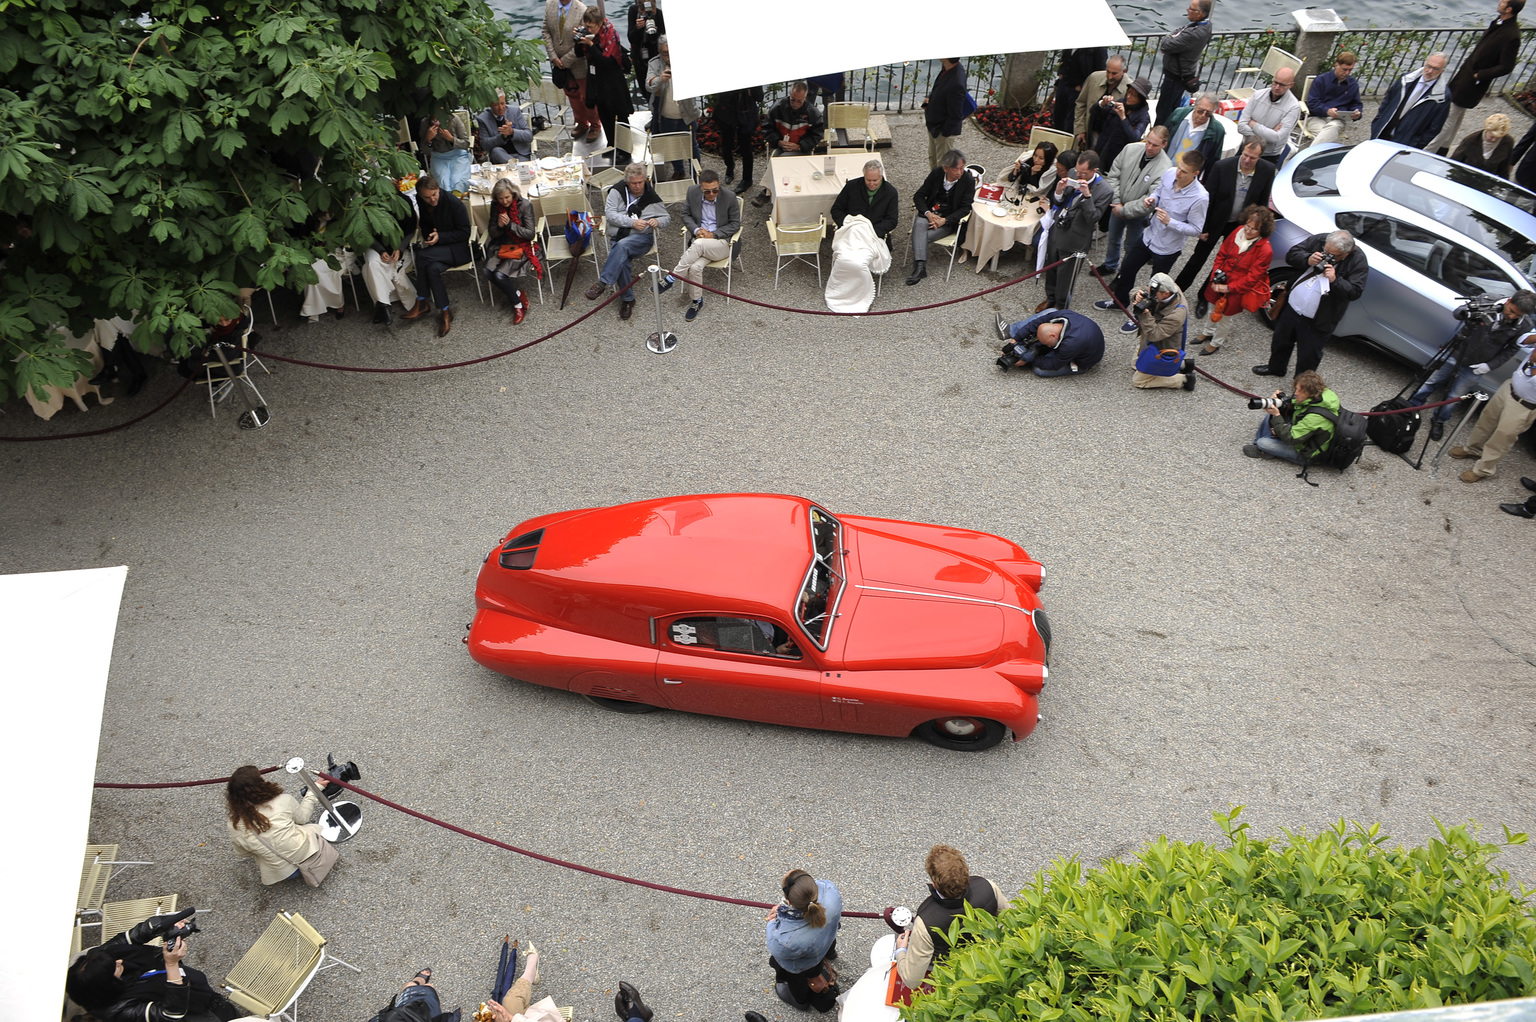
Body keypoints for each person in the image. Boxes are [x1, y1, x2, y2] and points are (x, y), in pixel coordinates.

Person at [66, 910, 242, 1022]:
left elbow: (127, 939)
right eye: (115, 968)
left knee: (221, 1005)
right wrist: (171, 963)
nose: (119, 961)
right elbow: (171, 1013)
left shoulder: (96, 958)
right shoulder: (118, 1011)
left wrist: (161, 926)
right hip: (194, 1013)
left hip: (195, 990)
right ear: (108, 985)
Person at [1101, 150, 1208, 333]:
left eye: (1184, 171)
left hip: (1167, 248)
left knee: (1155, 287)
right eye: (1179, 167)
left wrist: (1170, 222)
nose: (1178, 173)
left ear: (1195, 174)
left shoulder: (1200, 197)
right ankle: (1120, 302)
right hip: (1149, 236)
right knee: (1127, 268)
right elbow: (1159, 191)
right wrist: (1153, 199)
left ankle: (1140, 318)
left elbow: (1196, 229)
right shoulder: (1169, 174)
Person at [1410, 290, 1536, 440]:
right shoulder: (1487, 300)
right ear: (1508, 301)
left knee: (1456, 395)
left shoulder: (1525, 326)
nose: (1513, 316)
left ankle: (1439, 420)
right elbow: (1458, 315)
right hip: (1456, 352)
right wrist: (1469, 310)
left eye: (1518, 315)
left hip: (1478, 364)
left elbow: (1512, 349)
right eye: (1512, 311)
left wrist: (1489, 366)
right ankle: (1412, 405)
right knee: (1432, 381)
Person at [1254, 229, 1367, 378]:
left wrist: (1335, 280)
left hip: (1318, 320)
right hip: (1292, 307)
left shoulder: (1358, 261)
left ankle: (1301, 387)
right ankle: (1276, 368)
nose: (1327, 256)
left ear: (1346, 254)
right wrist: (1307, 259)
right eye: (1325, 251)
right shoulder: (1321, 240)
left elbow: (1354, 292)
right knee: (1280, 341)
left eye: (1333, 255)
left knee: (1309, 355)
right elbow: (1292, 254)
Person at [1174, 139, 1275, 302]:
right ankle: (1177, 291)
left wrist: (1255, 231)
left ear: (1260, 157)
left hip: (1240, 227)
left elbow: (1262, 203)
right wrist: (1203, 227)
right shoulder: (1222, 167)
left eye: (1253, 158)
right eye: (1246, 155)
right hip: (1215, 222)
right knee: (1198, 258)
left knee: (1224, 264)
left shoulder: (1267, 171)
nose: (1247, 161)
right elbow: (1208, 198)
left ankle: (1204, 297)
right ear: (1242, 150)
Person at [893, 845, 1006, 989]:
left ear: (934, 884)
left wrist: (901, 951)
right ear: (966, 873)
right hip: (988, 960)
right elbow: (1011, 922)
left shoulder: (925, 922)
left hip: (951, 976)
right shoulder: (989, 887)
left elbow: (912, 980)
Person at [1427, 0, 1523, 154]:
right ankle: (1443, 149)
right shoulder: (1499, 24)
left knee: (1447, 118)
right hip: (1466, 77)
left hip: (1473, 82)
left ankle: (1428, 150)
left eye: (1503, 2)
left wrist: (1481, 75)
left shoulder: (1511, 35)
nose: (1499, 2)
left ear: (1509, 9)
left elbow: (1507, 66)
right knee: (1455, 117)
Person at [225, 764, 336, 884]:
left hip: (284, 873)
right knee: (303, 826)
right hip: (312, 857)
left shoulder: (233, 825)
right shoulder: (283, 800)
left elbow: (242, 853)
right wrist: (314, 789)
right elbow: (303, 818)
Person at [586, 164, 669, 320]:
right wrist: (632, 223)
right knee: (622, 258)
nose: (637, 186)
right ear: (627, 182)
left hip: (642, 239)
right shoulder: (617, 191)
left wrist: (657, 222)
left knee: (621, 247)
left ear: (644, 180)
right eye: (633, 183)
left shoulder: (651, 195)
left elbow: (666, 218)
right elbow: (610, 215)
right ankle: (628, 300)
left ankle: (602, 283)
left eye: (640, 182)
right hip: (619, 235)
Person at [1450, 333, 1536, 481]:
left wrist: (1534, 363)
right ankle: (1473, 448)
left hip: (1524, 405)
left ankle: (1483, 469)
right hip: (1509, 388)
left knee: (1502, 437)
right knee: (1486, 420)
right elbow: (1522, 340)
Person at [1191, 205, 1275, 356]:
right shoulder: (1237, 231)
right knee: (1212, 308)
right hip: (1219, 281)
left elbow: (1253, 278)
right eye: (1247, 226)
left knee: (1225, 318)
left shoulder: (1265, 250)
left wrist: (1228, 288)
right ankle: (1207, 332)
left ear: (1262, 230)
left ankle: (1216, 342)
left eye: (1254, 229)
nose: (1248, 231)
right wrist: (1215, 276)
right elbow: (1222, 254)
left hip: (1236, 289)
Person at [660, 169, 740, 322]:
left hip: (722, 243)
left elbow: (736, 224)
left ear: (719, 186)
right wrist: (697, 230)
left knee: (698, 244)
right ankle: (697, 301)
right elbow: (685, 215)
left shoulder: (729, 197)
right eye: (707, 191)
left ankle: (672, 278)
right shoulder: (692, 192)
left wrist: (714, 234)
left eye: (715, 190)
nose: (711, 195)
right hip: (700, 243)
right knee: (695, 267)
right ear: (700, 188)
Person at [1040, 151, 1114, 310]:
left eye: (1083, 173)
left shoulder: (1105, 190)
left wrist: (1088, 197)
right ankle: (1050, 297)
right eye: (1077, 171)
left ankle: (1060, 307)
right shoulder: (1073, 172)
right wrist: (1059, 191)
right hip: (1059, 229)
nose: (1078, 175)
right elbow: (1060, 202)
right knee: (1051, 267)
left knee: (1066, 278)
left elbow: (1093, 218)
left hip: (1076, 240)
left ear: (1094, 171)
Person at [765, 869, 844, 1012]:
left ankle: (800, 1001)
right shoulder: (830, 890)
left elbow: (774, 944)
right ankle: (831, 954)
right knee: (828, 939)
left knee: (796, 979)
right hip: (827, 940)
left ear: (789, 901)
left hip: (805, 962)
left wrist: (774, 918)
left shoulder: (785, 941)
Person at [1098, 125, 1171, 278]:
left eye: (1155, 145)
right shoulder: (1130, 149)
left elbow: (1151, 199)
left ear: (1164, 144)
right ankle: (1110, 264)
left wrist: (1123, 210)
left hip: (1138, 215)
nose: (1149, 147)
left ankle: (1122, 274)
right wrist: (1117, 202)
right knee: (1113, 238)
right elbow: (1113, 176)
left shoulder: (1165, 168)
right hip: (1117, 205)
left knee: (1131, 246)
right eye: (1148, 142)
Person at [405, 175, 472, 337]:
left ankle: (421, 300)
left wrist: (440, 236)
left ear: (438, 189)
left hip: (458, 250)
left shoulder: (454, 204)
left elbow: (465, 233)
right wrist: (431, 235)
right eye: (427, 197)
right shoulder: (422, 201)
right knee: (432, 269)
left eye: (434, 194)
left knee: (421, 255)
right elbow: (425, 224)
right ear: (420, 196)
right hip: (439, 250)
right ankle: (445, 311)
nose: (432, 199)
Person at [907, 149, 975, 285]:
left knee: (919, 235)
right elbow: (919, 195)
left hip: (947, 221)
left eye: (962, 168)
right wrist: (928, 214)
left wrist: (945, 220)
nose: (960, 172)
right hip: (929, 214)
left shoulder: (968, 181)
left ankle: (919, 268)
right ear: (945, 168)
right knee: (920, 224)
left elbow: (965, 208)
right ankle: (920, 267)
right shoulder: (936, 173)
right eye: (956, 169)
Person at [1243, 369, 1340, 464]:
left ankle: (1262, 449)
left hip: (1307, 453)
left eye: (1298, 390)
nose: (1295, 393)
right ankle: (1267, 445)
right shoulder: (1321, 396)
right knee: (1272, 409)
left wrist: (1277, 415)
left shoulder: (1315, 418)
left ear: (1308, 393)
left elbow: (1291, 438)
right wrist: (1281, 401)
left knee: (1263, 442)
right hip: (1305, 434)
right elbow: (1297, 404)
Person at [752, 82, 824, 207]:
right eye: (793, 100)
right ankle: (770, 192)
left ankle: (767, 192)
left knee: (779, 161)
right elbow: (766, 128)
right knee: (777, 162)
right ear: (789, 95)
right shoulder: (778, 107)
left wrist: (800, 146)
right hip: (782, 146)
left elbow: (817, 135)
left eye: (799, 101)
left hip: (802, 149)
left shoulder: (813, 113)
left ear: (805, 98)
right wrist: (778, 141)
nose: (795, 104)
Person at [576, 8, 632, 154]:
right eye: (587, 26)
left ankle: (625, 150)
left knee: (620, 117)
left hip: (613, 82)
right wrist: (578, 40)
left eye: (591, 27)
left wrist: (590, 44)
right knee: (605, 115)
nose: (589, 29)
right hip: (598, 82)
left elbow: (605, 61)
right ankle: (612, 145)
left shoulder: (610, 34)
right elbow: (578, 54)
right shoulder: (589, 35)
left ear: (600, 23)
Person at [542, 0, 599, 144]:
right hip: (558, 61)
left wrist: (565, 61)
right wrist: (553, 56)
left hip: (578, 62)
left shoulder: (581, 9)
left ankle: (595, 125)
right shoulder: (550, 4)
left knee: (587, 96)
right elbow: (546, 31)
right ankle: (581, 123)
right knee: (572, 95)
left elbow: (583, 38)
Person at [483, 177, 537, 325]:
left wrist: (510, 225)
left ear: (513, 194)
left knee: (499, 275)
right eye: (500, 199)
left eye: (507, 197)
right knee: (487, 272)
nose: (504, 202)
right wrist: (500, 226)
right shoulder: (496, 206)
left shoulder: (525, 205)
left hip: (521, 246)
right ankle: (518, 294)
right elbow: (492, 232)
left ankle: (517, 305)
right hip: (501, 244)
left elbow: (530, 233)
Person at [1129, 272, 1196, 391]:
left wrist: (1145, 314)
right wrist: (1136, 295)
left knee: (1138, 381)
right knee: (1135, 364)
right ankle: (1183, 364)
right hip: (1149, 339)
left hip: (1162, 344)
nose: (1149, 294)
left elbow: (1154, 335)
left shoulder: (1177, 314)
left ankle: (1184, 379)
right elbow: (1137, 289)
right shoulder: (1164, 285)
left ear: (1166, 294)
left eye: (1153, 293)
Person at [994, 307, 1106, 376]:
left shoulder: (1071, 344)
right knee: (1051, 310)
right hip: (1081, 337)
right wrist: (1015, 340)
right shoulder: (1062, 315)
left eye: (1046, 342)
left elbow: (1053, 364)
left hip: (1082, 361)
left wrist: (1028, 360)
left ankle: (1079, 369)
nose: (1045, 344)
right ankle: (1012, 331)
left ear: (1053, 336)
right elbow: (1036, 324)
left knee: (1040, 371)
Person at [1371, 53, 1450, 149]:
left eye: (1435, 69)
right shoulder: (1405, 79)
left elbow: (1435, 128)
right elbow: (1387, 101)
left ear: (1442, 70)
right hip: (1381, 134)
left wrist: (1416, 144)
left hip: (1405, 144)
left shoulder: (1443, 97)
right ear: (1425, 63)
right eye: (1428, 66)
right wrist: (1377, 123)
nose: (1430, 71)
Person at [364, 191, 419, 326]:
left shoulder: (403, 200)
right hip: (376, 246)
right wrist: (380, 250)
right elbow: (366, 233)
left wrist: (400, 248)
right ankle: (384, 305)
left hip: (399, 246)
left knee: (391, 265)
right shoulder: (368, 202)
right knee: (371, 265)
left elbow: (411, 229)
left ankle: (381, 306)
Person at [646, 37, 697, 179]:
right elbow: (648, 86)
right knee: (672, 146)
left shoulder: (687, 60)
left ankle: (696, 172)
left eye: (671, 52)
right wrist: (660, 79)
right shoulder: (655, 64)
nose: (668, 57)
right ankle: (679, 170)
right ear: (659, 51)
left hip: (686, 114)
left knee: (692, 146)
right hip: (666, 116)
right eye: (664, 53)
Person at [1156, 0, 1213, 125]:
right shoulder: (1205, 26)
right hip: (1182, 74)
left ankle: (1160, 135)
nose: (1187, 9)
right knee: (1172, 107)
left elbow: (1166, 45)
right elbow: (1181, 30)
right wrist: (1174, 35)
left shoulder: (1194, 34)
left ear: (1200, 13)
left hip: (1175, 76)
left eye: (1191, 9)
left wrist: (1171, 36)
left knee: (1164, 110)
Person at [1236, 66, 1300, 164]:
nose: (1277, 87)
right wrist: (1267, 135)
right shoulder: (1258, 95)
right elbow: (1241, 126)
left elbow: (1276, 138)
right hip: (1246, 149)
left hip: (1268, 156)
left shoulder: (1293, 107)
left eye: (1282, 85)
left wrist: (1253, 124)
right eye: (1275, 82)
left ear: (1291, 85)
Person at [829, 160, 900, 246]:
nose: (871, 184)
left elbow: (891, 220)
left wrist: (869, 231)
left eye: (875, 180)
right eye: (868, 180)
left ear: (881, 177)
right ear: (864, 176)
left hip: (875, 236)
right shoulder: (851, 186)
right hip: (850, 233)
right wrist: (849, 225)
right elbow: (836, 210)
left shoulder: (890, 192)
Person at [1301, 53, 1363, 148]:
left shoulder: (1352, 84)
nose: (1346, 73)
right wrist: (1326, 110)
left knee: (1331, 129)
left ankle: (1305, 156)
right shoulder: (1321, 80)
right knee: (1328, 136)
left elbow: (1356, 104)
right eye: (1344, 69)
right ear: (1336, 65)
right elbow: (1312, 103)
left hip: (1338, 120)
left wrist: (1357, 113)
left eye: (1350, 70)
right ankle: (1312, 156)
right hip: (1317, 117)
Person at [1092, 75, 1152, 172]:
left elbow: (1135, 138)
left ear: (1141, 99)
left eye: (1134, 95)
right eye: (1129, 92)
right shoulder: (1120, 102)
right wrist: (1102, 104)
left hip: (1118, 158)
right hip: (1101, 149)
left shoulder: (1143, 117)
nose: (1129, 96)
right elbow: (1095, 114)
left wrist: (1123, 117)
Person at [713, 86, 763, 191]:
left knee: (746, 148)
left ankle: (747, 179)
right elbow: (722, 96)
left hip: (746, 115)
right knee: (727, 144)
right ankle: (730, 167)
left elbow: (759, 97)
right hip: (727, 114)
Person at [1074, 55, 1129, 149]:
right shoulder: (1094, 78)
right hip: (1088, 131)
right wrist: (1080, 130)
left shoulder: (1129, 89)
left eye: (1114, 73)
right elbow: (1081, 104)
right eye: (1108, 72)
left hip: (1107, 139)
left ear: (1124, 71)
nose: (1110, 76)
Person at [923, 58, 969, 168]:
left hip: (942, 131)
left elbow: (956, 115)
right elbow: (939, 89)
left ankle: (939, 185)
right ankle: (933, 184)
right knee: (933, 159)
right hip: (934, 125)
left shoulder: (956, 83)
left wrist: (944, 133)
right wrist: (930, 98)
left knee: (942, 166)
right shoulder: (948, 68)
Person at [1164, 93, 1229, 170]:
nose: (1203, 115)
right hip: (1164, 167)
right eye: (1200, 111)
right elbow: (1162, 136)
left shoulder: (1217, 131)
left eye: (1208, 113)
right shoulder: (1178, 115)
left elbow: (1213, 161)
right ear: (1195, 106)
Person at [1053, 47, 1108, 136]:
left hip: (1078, 89)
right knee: (1058, 116)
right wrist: (1061, 73)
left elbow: (1100, 70)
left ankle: (1067, 143)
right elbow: (1065, 59)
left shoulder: (1099, 47)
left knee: (1071, 121)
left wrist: (1083, 86)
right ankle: (1057, 140)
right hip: (1064, 84)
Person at [420, 105, 473, 195]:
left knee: (458, 179)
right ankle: (447, 200)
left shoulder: (454, 119)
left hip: (458, 154)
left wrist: (451, 138)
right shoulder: (425, 122)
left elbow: (465, 144)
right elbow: (424, 151)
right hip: (438, 156)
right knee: (442, 180)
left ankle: (459, 198)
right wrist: (428, 139)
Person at [477, 89, 532, 164]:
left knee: (521, 162)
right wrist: (502, 136)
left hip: (520, 155)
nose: (501, 107)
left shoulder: (515, 111)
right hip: (500, 156)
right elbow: (485, 145)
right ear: (490, 105)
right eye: (496, 105)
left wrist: (512, 132)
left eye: (502, 103)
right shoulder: (483, 119)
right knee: (496, 151)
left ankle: (514, 165)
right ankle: (516, 166)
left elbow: (529, 136)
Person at [626, 0, 664, 91]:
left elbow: (661, 41)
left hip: (655, 59)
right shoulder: (633, 11)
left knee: (657, 89)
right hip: (639, 59)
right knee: (644, 89)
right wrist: (637, 28)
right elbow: (631, 38)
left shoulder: (659, 14)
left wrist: (654, 31)